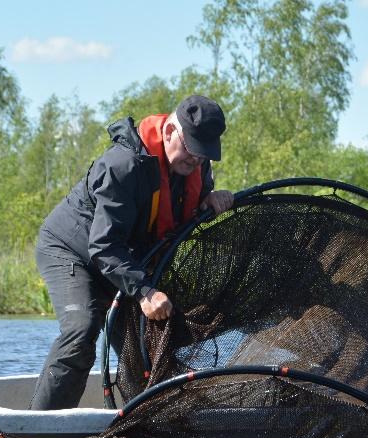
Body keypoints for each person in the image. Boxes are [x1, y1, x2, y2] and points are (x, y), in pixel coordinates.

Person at [30, 95, 234, 410]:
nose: (196, 159)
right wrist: (144, 291)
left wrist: (209, 199)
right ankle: (39, 433)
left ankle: (152, 425)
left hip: (124, 259)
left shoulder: (196, 166)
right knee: (82, 331)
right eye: (191, 147)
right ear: (169, 132)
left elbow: (179, 209)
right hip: (73, 250)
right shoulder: (122, 166)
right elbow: (103, 245)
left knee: (149, 346)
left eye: (203, 153)